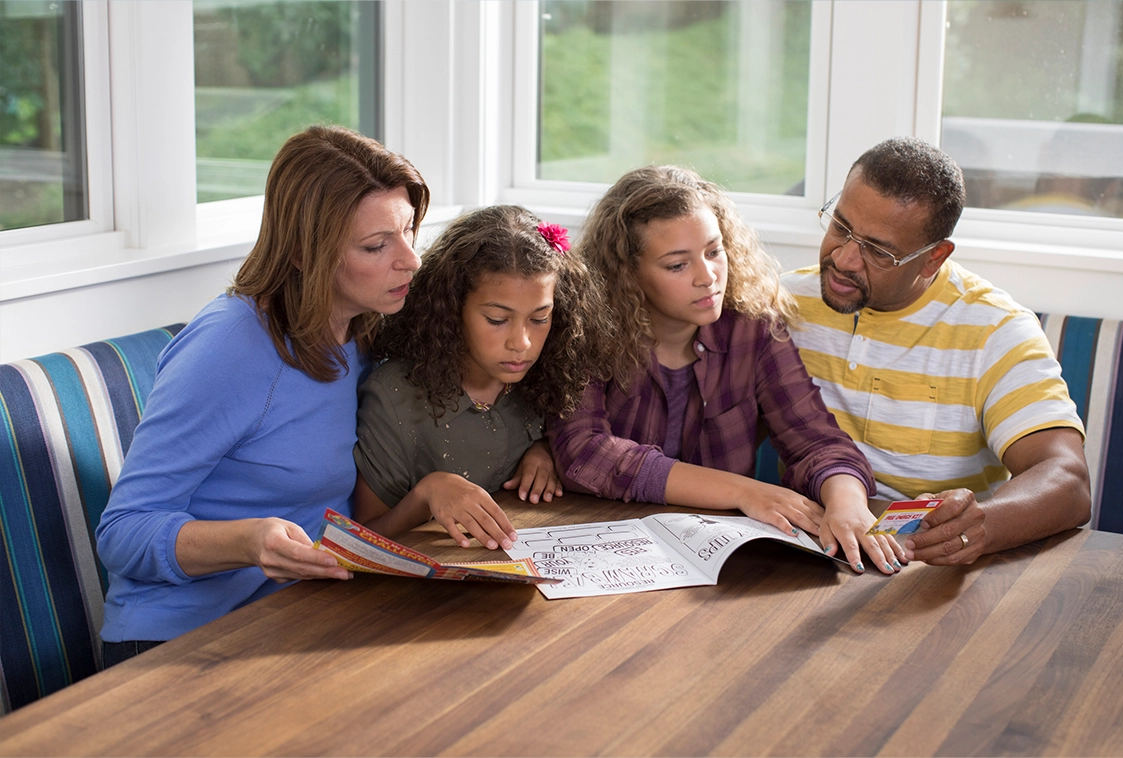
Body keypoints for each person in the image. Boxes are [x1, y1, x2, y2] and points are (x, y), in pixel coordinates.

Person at [95, 125, 430, 664]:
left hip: (297, 616)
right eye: (376, 245)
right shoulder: (232, 344)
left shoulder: (366, 328)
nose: (410, 259)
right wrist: (248, 541)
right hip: (180, 639)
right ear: (303, 252)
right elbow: (122, 532)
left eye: (410, 231)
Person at [548, 165, 904, 575]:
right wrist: (742, 491)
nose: (708, 277)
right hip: (601, 553)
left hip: (719, 563)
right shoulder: (588, 331)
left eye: (714, 252)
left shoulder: (753, 327)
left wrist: (848, 504)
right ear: (628, 274)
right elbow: (583, 452)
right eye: (677, 265)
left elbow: (816, 439)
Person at [783, 136, 1091, 566]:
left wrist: (981, 523)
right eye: (840, 227)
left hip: (930, 569)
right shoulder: (784, 304)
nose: (845, 259)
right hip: (804, 552)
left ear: (934, 258)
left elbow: (1068, 482)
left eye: (878, 251)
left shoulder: (995, 330)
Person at [353, 205, 614, 552]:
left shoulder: (549, 371)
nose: (521, 343)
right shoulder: (394, 396)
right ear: (451, 309)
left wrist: (545, 449)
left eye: (539, 319)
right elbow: (363, 540)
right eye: (496, 319)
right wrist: (428, 492)